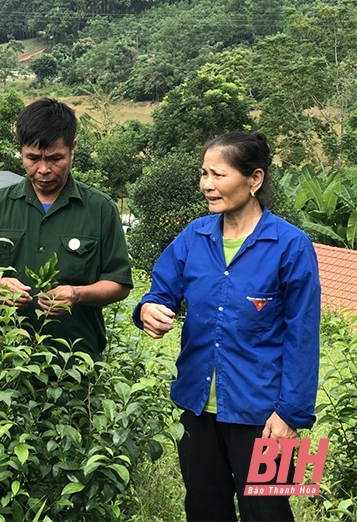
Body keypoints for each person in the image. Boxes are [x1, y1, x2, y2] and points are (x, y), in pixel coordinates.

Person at [133, 132, 320, 521]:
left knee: (270, 514)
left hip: (268, 416)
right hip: (197, 409)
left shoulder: (292, 245)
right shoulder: (194, 236)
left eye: (218, 175)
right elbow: (160, 291)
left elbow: (303, 335)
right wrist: (149, 308)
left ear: (254, 179)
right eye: (204, 174)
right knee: (204, 510)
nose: (206, 185)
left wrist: (292, 415)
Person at [0, 98, 133, 360]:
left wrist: (76, 294)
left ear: (72, 148)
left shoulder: (99, 209)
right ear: (21, 151)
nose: (43, 169)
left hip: (74, 361)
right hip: (2, 361)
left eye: (55, 158)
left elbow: (119, 284)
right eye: (32, 158)